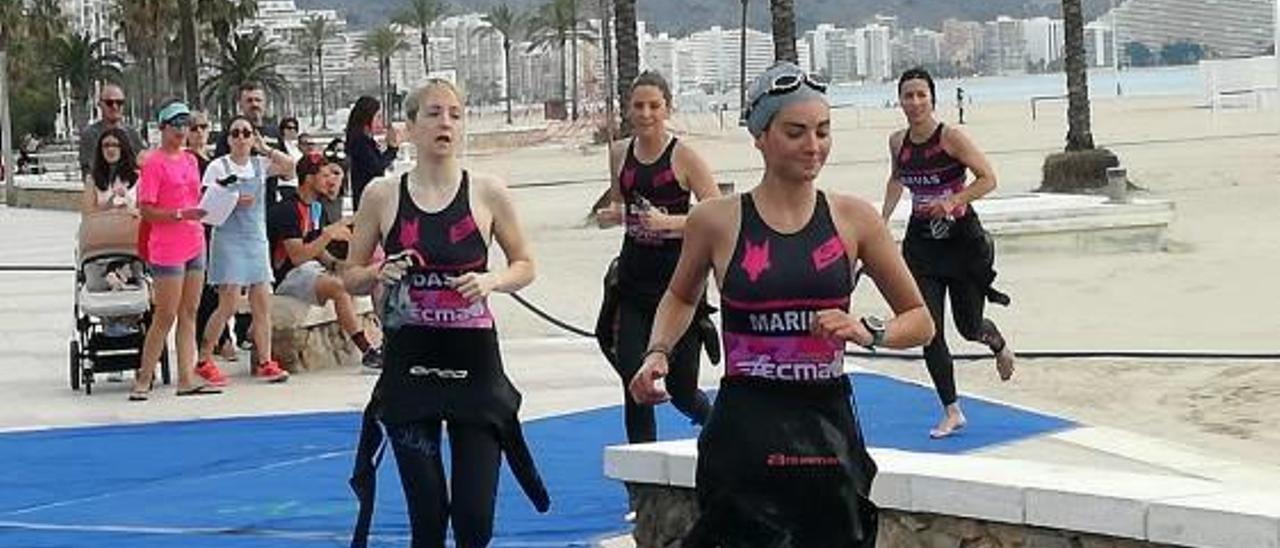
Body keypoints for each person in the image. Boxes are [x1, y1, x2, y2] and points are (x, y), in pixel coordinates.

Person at [629, 62, 934, 546]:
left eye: (823, 131)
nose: (813, 146)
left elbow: (920, 321)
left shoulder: (856, 219)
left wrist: (869, 331)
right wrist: (658, 351)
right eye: (796, 132)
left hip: (825, 429)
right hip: (744, 427)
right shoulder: (716, 220)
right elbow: (681, 295)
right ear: (761, 135)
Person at [344, 80, 548, 547]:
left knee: (475, 522)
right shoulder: (382, 194)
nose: (446, 124)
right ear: (410, 127)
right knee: (429, 518)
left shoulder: (488, 193)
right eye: (434, 114)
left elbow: (526, 264)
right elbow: (350, 275)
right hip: (410, 366)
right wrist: (380, 273)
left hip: (474, 366)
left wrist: (492, 280)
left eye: (455, 115)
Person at [882, 67, 1016, 439]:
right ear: (900, 100)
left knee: (969, 327)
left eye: (921, 95)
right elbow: (897, 178)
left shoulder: (950, 138)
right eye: (908, 95)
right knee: (929, 330)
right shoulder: (897, 142)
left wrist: (954, 199)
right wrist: (882, 219)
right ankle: (951, 410)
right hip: (922, 246)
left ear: (932, 99)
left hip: (963, 244)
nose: (914, 102)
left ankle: (998, 344)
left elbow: (988, 178)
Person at [594, 71, 720, 445]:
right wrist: (614, 215)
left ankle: (719, 436)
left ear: (668, 108)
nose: (646, 114)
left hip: (680, 282)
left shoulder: (683, 156)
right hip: (634, 280)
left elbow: (716, 216)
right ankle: (641, 487)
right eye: (638, 106)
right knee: (635, 383)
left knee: (682, 392)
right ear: (628, 109)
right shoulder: (619, 153)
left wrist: (670, 223)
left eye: (654, 106)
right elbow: (621, 203)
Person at [131, 101, 222, 401]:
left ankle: (186, 376)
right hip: (168, 245)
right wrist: (180, 215)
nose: (182, 131)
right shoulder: (155, 163)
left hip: (194, 241)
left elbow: (195, 196)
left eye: (186, 124)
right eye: (177, 125)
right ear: (163, 128)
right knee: (165, 314)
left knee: (189, 311)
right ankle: (144, 376)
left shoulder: (190, 160)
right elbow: (147, 209)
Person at [196, 116, 296, 385]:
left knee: (261, 303)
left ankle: (265, 360)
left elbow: (290, 167)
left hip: (255, 238)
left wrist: (267, 149)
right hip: (228, 238)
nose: (241, 138)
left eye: (246, 133)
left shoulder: (260, 165)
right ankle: (205, 358)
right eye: (235, 133)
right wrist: (233, 198)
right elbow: (206, 202)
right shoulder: (218, 166)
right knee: (227, 303)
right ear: (228, 139)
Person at [267, 152, 382, 370]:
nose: (330, 180)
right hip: (287, 276)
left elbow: (318, 250)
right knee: (339, 288)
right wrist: (328, 235)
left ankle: (384, 338)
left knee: (360, 277)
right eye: (325, 174)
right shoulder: (287, 210)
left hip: (310, 269)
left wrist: (339, 266)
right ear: (309, 178)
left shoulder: (316, 207)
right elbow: (298, 256)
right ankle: (366, 350)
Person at [186, 111, 238, 363]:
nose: (198, 132)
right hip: (198, 226)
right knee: (205, 287)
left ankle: (221, 336)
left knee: (218, 285)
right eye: (193, 127)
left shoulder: (213, 160)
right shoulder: (188, 160)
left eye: (203, 127)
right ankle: (214, 340)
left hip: (216, 225)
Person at [344, 95, 402, 211]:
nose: (381, 122)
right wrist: (392, 148)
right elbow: (376, 167)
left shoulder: (366, 141)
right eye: (378, 117)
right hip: (366, 202)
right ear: (367, 118)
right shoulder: (360, 142)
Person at [79, 84, 146, 177]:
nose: (115, 107)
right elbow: (89, 171)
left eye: (119, 102)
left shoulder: (132, 133)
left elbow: (143, 163)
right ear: (100, 105)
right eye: (109, 103)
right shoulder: (90, 134)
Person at [81, 128, 140, 215]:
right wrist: (110, 205)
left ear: (123, 148)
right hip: (104, 226)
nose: (110, 149)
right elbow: (87, 214)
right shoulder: (92, 179)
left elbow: (145, 211)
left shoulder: (138, 177)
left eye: (115, 145)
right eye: (106, 145)